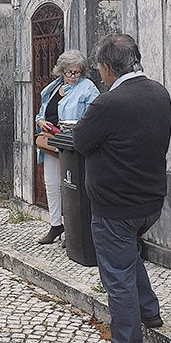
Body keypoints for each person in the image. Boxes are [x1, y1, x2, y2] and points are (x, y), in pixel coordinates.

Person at [72, 33, 171, 343]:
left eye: (99, 68)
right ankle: (150, 312)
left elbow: (81, 141)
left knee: (117, 275)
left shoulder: (109, 103)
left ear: (106, 67)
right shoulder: (159, 92)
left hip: (115, 205)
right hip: (150, 200)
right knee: (127, 254)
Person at [34, 49, 100, 244]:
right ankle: (56, 225)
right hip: (51, 143)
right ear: (61, 70)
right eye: (69, 72)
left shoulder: (88, 88)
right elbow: (42, 112)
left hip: (73, 145)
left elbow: (94, 116)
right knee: (52, 185)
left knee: (73, 187)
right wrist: (40, 122)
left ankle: (74, 230)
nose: (73, 76)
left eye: (77, 72)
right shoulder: (54, 87)